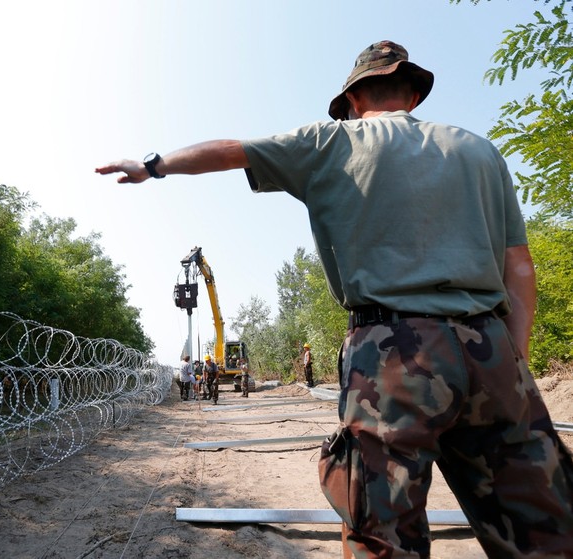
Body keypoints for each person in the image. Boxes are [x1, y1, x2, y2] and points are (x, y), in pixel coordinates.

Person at [97, 40, 573, 558]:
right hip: (491, 345)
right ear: (414, 94)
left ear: (350, 101)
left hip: (393, 352)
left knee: (380, 531)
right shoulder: (479, 150)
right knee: (543, 526)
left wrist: (153, 164)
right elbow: (519, 267)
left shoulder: (332, 142)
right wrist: (514, 360)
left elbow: (231, 150)